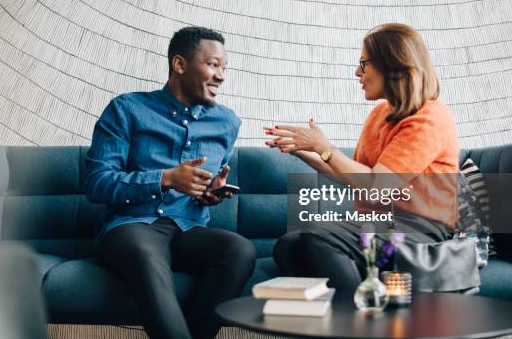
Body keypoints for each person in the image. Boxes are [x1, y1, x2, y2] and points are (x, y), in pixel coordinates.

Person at [265, 23, 460, 297]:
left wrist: (327, 148)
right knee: (288, 245)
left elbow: (378, 188)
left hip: (422, 228)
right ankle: (334, 318)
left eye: (363, 64)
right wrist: (303, 148)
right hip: (379, 224)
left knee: (320, 236)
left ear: (393, 65)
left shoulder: (429, 119)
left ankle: (362, 325)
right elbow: (353, 176)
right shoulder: (380, 114)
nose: (357, 73)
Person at [85, 26, 255, 339]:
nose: (221, 76)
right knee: (145, 253)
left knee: (239, 250)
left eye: (224, 68)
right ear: (179, 64)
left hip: (188, 230)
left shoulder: (227, 122)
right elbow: (97, 183)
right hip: (131, 225)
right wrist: (165, 179)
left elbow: (200, 189)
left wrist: (209, 193)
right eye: (213, 65)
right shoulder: (127, 109)